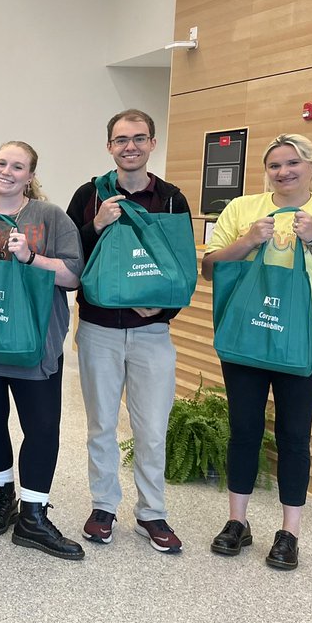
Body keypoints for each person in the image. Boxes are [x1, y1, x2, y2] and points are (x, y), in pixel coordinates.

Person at [202, 133, 312, 571]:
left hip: (307, 333)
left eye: (293, 164)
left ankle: (289, 532)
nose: (284, 172)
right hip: (247, 332)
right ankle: (237, 523)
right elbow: (210, 269)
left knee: (294, 433)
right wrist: (248, 240)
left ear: (311, 166)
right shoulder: (242, 208)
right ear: (265, 170)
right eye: (275, 166)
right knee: (244, 428)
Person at [0, 141, 84, 559]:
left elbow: (73, 276)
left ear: (30, 176)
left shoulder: (51, 217)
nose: (7, 171)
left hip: (35, 346)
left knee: (41, 428)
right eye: (1, 163)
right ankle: (3, 497)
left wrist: (31, 257)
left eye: (18, 166)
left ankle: (34, 515)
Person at [66, 110, 190, 554]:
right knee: (100, 425)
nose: (130, 147)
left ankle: (152, 513)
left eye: (139, 138)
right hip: (98, 328)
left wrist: (165, 306)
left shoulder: (172, 199)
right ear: (109, 147)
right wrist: (95, 225)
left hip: (153, 333)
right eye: (121, 140)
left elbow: (183, 266)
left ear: (152, 143)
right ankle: (104, 507)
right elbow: (67, 259)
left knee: (152, 428)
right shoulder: (89, 194)